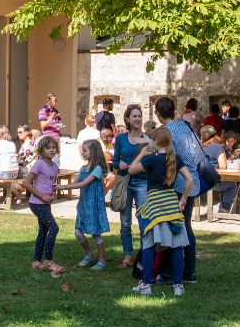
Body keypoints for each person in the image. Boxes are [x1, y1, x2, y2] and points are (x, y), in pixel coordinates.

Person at [129, 126, 192, 297]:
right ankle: (178, 285)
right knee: (177, 245)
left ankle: (146, 284)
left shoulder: (151, 159)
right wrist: (184, 199)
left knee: (149, 244)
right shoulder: (175, 158)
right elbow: (190, 179)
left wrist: (143, 152)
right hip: (172, 202)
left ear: (155, 141)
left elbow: (131, 170)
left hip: (154, 204)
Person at [159, 97, 202, 284]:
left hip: (178, 183)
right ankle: (189, 271)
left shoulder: (167, 131)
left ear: (158, 114)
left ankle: (171, 272)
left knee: (174, 228)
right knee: (186, 227)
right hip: (191, 182)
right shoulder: (185, 126)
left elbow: (170, 159)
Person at [113, 104, 151, 268]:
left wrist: (148, 141)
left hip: (142, 181)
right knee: (125, 221)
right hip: (125, 181)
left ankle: (144, 255)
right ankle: (127, 255)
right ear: (127, 119)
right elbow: (114, 160)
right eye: (134, 116)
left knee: (143, 219)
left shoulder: (148, 138)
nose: (137, 119)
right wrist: (118, 163)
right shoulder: (121, 139)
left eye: (139, 116)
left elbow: (155, 155)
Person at [23, 135, 63, 274]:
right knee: (54, 227)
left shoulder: (55, 166)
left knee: (43, 230)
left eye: (53, 147)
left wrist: (52, 194)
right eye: (48, 148)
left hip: (45, 203)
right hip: (37, 203)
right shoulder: (39, 164)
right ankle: (48, 260)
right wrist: (42, 196)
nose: (51, 150)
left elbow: (50, 184)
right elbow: (26, 183)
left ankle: (36, 261)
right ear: (41, 150)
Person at [73, 139, 110, 270]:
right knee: (78, 232)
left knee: (95, 234)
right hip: (83, 205)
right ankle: (89, 254)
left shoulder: (97, 169)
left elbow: (83, 184)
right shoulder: (83, 168)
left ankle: (102, 260)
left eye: (85, 150)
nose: (82, 153)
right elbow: (76, 181)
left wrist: (62, 186)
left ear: (93, 152)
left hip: (93, 206)